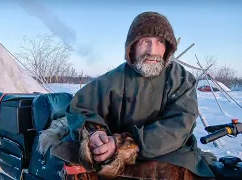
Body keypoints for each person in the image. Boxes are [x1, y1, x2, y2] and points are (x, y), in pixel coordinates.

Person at [63, 11, 216, 179]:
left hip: (171, 155)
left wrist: (123, 145)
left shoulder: (181, 79)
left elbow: (178, 126)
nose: (153, 50)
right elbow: (80, 108)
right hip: (115, 159)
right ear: (132, 46)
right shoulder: (114, 79)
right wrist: (94, 134)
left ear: (167, 47)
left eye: (159, 42)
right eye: (145, 41)